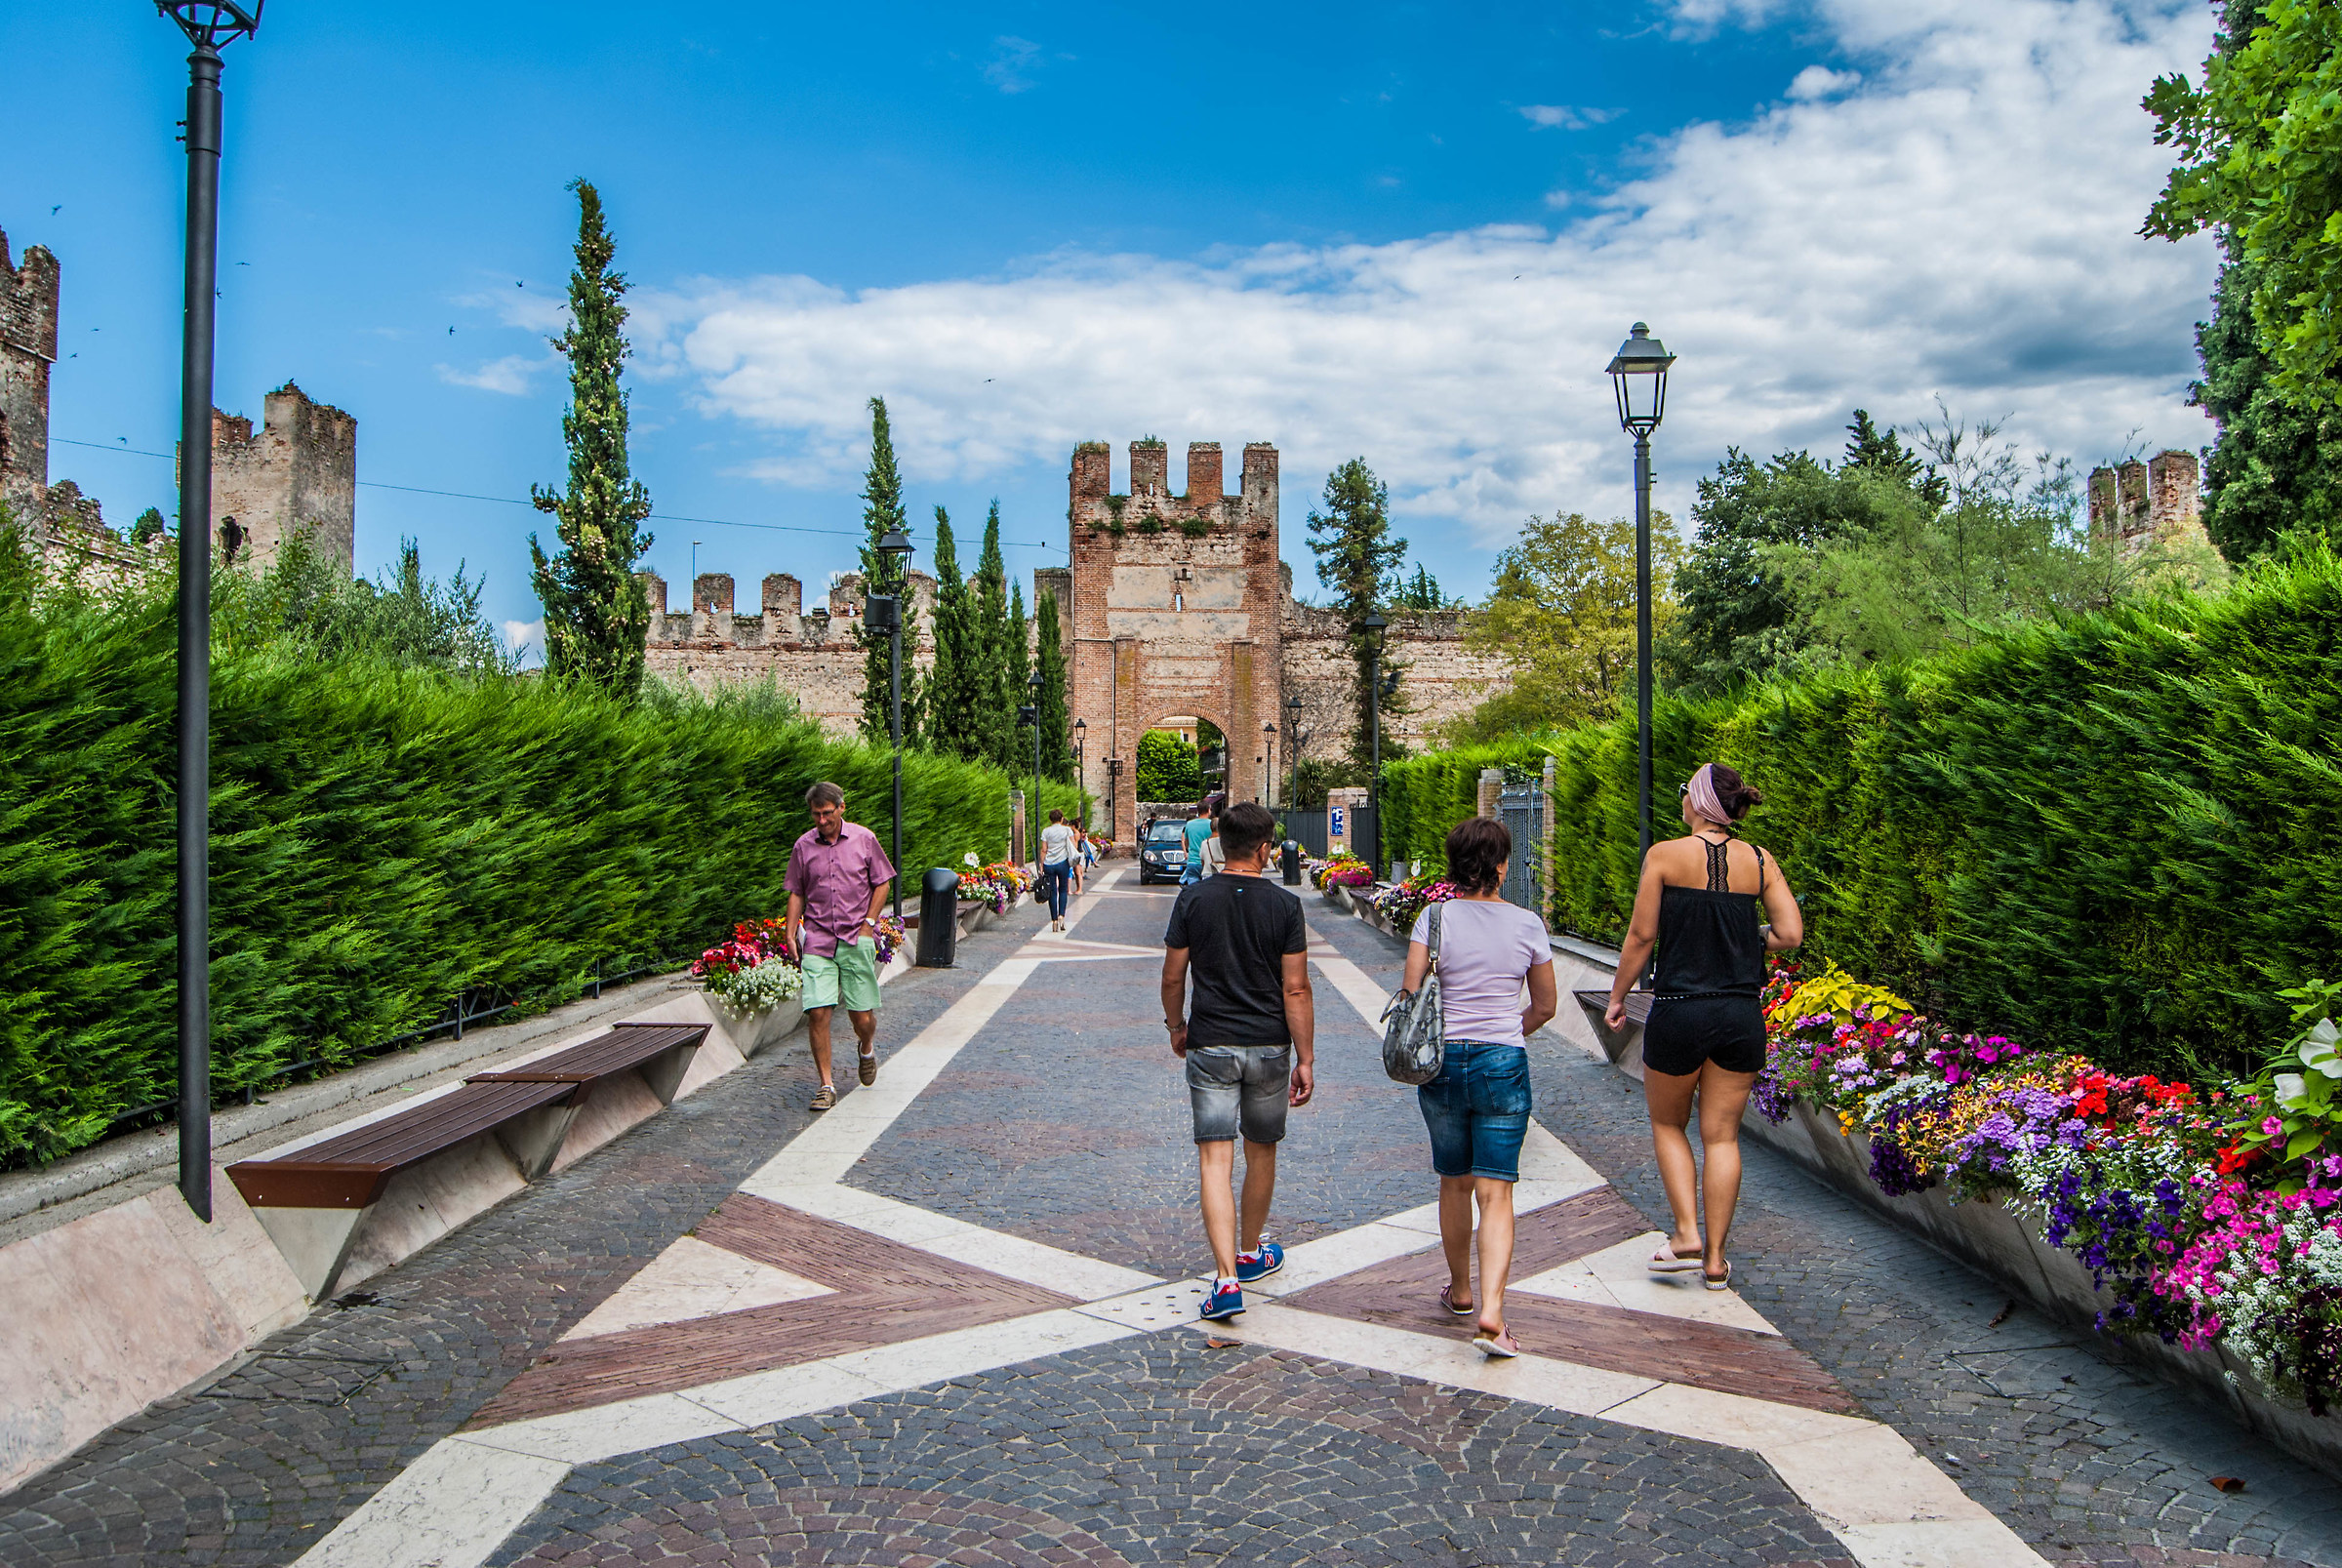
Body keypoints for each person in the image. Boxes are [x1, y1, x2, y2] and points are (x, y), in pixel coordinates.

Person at [1605, 762, 1803, 1291]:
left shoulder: (1664, 855)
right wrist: (1744, 934)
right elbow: (1788, 933)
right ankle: (1716, 1261)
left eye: (1683, 792)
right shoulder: (1761, 861)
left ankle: (1686, 1234)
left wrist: (1618, 996)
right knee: (1722, 1138)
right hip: (1740, 1016)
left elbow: (1642, 936)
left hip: (1679, 1010)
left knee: (1670, 1124)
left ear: (1697, 802)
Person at [1395, 818, 1556, 1357]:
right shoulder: (1528, 924)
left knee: (1454, 1182)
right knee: (1497, 1191)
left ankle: (1460, 1290)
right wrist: (1509, 1032)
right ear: (1502, 865)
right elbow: (1546, 1006)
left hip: (1441, 1063)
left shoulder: (1433, 918)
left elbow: (1411, 992)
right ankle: (1492, 1311)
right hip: (1503, 1061)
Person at [1161, 800, 1315, 1322]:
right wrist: (1307, 1058)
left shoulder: (1194, 899)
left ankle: (1226, 1280)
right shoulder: (1285, 906)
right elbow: (1296, 988)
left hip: (1210, 1044)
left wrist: (1176, 1026)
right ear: (1265, 848)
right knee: (1262, 1149)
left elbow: (1172, 976)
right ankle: (1251, 1253)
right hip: (1270, 1046)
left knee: (1214, 1158)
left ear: (1219, 845)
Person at [785, 781, 897, 1112]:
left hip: (855, 936)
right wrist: (791, 932)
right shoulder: (803, 847)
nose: (820, 821)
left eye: (826, 813)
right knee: (818, 1012)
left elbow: (882, 882)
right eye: (815, 815)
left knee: (861, 1017)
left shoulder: (864, 839)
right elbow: (796, 891)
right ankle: (826, 1085)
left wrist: (869, 924)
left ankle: (866, 1047)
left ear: (841, 808)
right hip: (818, 938)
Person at [1039, 808, 1075, 931]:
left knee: (1052, 891)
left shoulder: (1046, 831)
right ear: (1061, 819)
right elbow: (1073, 846)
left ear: (1050, 819)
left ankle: (1054, 920)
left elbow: (1044, 849)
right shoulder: (1067, 830)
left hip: (1049, 864)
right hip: (1063, 863)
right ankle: (1061, 916)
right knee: (1063, 889)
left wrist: (1041, 864)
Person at [1179, 801, 1213, 886]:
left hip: (1192, 861)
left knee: (1193, 888)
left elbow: (1186, 841)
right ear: (1209, 810)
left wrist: (1188, 850)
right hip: (1207, 862)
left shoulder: (1189, 824)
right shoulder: (1211, 824)